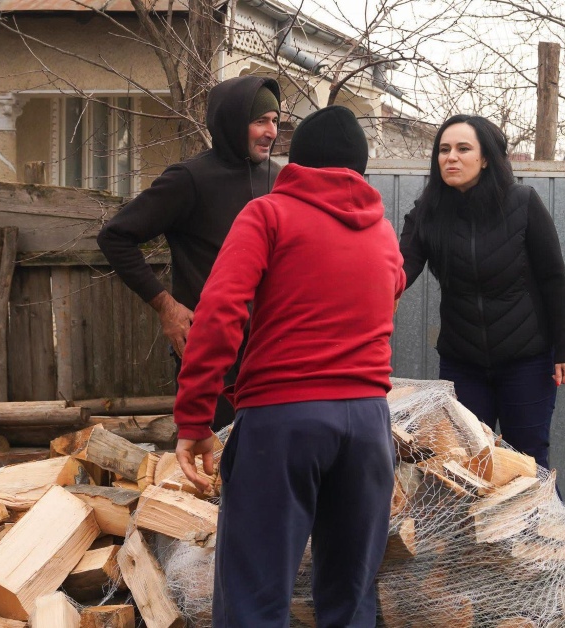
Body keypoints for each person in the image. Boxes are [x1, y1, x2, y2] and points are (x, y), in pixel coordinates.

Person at [173, 106, 405, 627]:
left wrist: (195, 418)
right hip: (368, 425)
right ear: (361, 167)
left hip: (282, 421)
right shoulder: (383, 233)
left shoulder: (268, 215)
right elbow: (392, 293)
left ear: (295, 161)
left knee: (254, 603)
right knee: (351, 603)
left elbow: (218, 313)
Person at [97, 75, 281, 431]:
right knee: (212, 455)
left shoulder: (276, 178)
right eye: (260, 121)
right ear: (232, 122)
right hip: (211, 355)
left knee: (266, 454)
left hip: (268, 351)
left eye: (274, 121)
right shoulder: (190, 179)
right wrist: (166, 306)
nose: (271, 132)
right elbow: (115, 236)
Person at [399, 114, 565, 471]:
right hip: (462, 363)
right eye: (444, 150)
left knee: (526, 463)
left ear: (484, 158)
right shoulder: (428, 213)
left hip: (526, 362)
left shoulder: (522, 203)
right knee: (466, 464)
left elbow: (553, 278)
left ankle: (543, 513)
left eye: (463, 149)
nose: (451, 157)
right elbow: (397, 274)